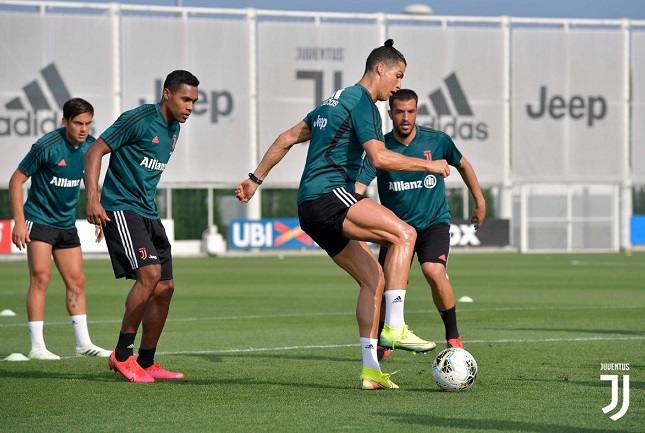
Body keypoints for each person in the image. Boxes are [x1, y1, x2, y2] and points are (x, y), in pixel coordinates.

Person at [236, 40, 450, 390]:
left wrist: (255, 179)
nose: (398, 85)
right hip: (329, 197)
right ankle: (395, 326)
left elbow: (287, 137)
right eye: (397, 76)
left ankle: (370, 371)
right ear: (380, 68)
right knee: (405, 234)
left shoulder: (332, 102)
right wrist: (431, 165)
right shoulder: (362, 103)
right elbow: (379, 159)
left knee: (373, 279)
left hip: (310, 206)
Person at [84, 70, 199, 383]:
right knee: (149, 275)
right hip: (121, 207)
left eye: (194, 101)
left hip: (148, 212)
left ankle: (147, 361)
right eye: (185, 98)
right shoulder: (138, 119)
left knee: (165, 287)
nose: (190, 106)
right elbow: (95, 150)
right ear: (167, 94)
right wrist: (93, 200)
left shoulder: (175, 128)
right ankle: (122, 355)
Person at [355, 88, 485, 359]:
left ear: (417, 112)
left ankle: (453, 336)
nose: (405, 117)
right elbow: (358, 187)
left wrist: (479, 201)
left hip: (432, 223)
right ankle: (383, 338)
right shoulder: (380, 149)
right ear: (390, 113)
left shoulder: (436, 141)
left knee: (434, 272)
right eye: (400, 112)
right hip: (396, 231)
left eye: (411, 111)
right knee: (382, 283)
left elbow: (464, 165)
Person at [8, 98, 111, 360]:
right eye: (78, 123)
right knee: (40, 279)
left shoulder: (91, 147)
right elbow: (16, 180)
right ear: (64, 121)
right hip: (39, 220)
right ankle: (38, 347)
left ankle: (83, 344)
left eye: (88, 123)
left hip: (66, 224)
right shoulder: (46, 146)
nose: (83, 129)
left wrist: (98, 213)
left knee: (77, 281)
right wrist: (19, 221)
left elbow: (91, 183)